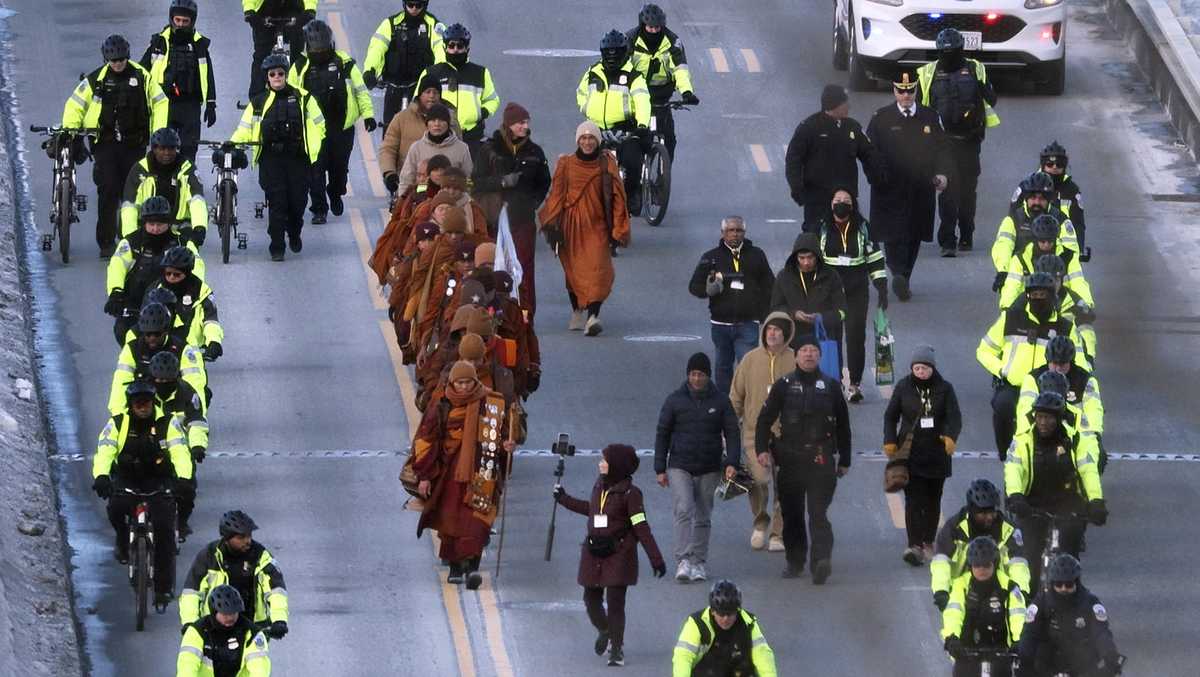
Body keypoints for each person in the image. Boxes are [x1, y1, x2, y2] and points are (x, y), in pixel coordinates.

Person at [553, 443, 667, 668]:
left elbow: (640, 526)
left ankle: (616, 649)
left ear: (616, 465)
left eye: (604, 460)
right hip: (594, 551)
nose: (600, 463)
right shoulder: (599, 486)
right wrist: (564, 499)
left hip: (618, 553)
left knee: (615, 603)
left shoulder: (631, 494)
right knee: (590, 598)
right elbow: (593, 510)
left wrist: (656, 559)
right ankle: (605, 630)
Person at [755, 336, 851, 583]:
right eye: (805, 350)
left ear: (820, 356)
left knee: (818, 512)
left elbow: (843, 425)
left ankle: (821, 561)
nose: (809, 355)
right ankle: (795, 562)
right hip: (790, 459)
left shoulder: (830, 386)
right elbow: (764, 419)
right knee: (793, 514)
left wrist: (845, 459)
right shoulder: (783, 385)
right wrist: (761, 450)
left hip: (821, 458)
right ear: (796, 356)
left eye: (814, 351)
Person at [62, 35, 168, 257]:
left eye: (121, 60)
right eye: (113, 60)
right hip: (105, 144)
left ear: (126, 57)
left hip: (134, 143)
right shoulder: (96, 79)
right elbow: (76, 103)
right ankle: (106, 242)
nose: (117, 64)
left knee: (133, 193)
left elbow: (160, 101)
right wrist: (70, 129)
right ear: (106, 59)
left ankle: (130, 239)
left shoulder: (141, 75)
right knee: (108, 190)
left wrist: (158, 134)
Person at [413, 361, 515, 589]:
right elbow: (426, 440)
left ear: (476, 381)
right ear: (452, 382)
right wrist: (425, 475)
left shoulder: (491, 403)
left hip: (482, 472)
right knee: (451, 522)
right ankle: (456, 568)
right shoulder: (441, 404)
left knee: (478, 521)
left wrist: (507, 446)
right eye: (460, 382)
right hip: (449, 473)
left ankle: (472, 569)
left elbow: (500, 432)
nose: (464, 387)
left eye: (468, 382)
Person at [92, 381, 193, 606]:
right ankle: (122, 539)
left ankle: (162, 589)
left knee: (165, 529)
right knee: (116, 508)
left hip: (158, 481)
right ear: (131, 404)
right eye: (138, 403)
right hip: (128, 479)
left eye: (146, 402)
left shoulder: (168, 423)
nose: (143, 407)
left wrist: (184, 479)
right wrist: (101, 476)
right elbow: (105, 451)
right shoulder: (118, 423)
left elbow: (180, 452)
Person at [976, 272, 1089, 459]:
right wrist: (1002, 369)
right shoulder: (1010, 319)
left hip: (1050, 389)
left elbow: (1080, 362)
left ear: (1052, 296)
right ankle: (1006, 454)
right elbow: (983, 350)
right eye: (1033, 295)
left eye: (1042, 295)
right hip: (1014, 385)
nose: (1038, 299)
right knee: (1002, 407)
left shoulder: (1065, 327)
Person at [537, 121, 631, 336]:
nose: (587, 142)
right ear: (577, 141)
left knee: (599, 270)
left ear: (597, 141)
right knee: (574, 272)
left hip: (597, 225)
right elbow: (557, 195)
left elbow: (618, 198)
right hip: (570, 226)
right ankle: (577, 310)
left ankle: (593, 317)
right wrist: (552, 224)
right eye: (583, 138)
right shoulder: (566, 164)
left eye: (591, 138)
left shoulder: (607, 164)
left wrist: (618, 229)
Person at [1004, 393, 1106, 589]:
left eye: (1049, 418)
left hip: (1066, 502)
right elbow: (1013, 468)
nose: (1043, 422)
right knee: (1029, 557)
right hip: (1032, 503)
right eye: (1039, 417)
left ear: (1059, 419)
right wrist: (1015, 495)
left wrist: (1096, 501)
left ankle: (1071, 592)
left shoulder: (1075, 439)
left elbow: (1088, 470)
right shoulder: (1022, 440)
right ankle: (1030, 602)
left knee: (1070, 551)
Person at [654, 353, 740, 583]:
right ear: (688, 375)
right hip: (680, 465)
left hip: (710, 466)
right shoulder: (675, 400)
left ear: (708, 375)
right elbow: (663, 433)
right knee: (684, 509)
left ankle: (699, 561)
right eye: (693, 374)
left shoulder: (721, 401)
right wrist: (659, 468)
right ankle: (683, 559)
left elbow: (732, 432)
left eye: (701, 374)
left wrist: (732, 461)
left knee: (703, 515)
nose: (697, 378)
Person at [231, 53, 325, 261]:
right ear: (267, 77)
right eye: (272, 74)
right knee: (277, 202)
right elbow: (245, 129)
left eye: (281, 74)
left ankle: (294, 232)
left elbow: (319, 126)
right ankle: (277, 245)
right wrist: (233, 144)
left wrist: (314, 151)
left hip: (298, 158)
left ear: (286, 75)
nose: (277, 77)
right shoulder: (257, 103)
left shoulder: (304, 98)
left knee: (298, 202)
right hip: (271, 159)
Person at [865, 70, 949, 300]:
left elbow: (943, 148)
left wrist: (942, 173)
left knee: (914, 233)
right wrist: (876, 177)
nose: (906, 95)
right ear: (894, 91)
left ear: (915, 91)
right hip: (890, 188)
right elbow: (869, 152)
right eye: (901, 91)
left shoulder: (930, 117)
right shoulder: (881, 119)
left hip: (920, 187)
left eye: (910, 90)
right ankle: (897, 272)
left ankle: (905, 276)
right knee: (893, 234)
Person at [916, 28, 999, 255]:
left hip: (970, 141)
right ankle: (947, 241)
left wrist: (980, 87)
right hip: (942, 144)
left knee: (967, 194)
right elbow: (920, 109)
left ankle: (966, 235)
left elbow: (992, 99)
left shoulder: (975, 68)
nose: (949, 55)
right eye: (945, 52)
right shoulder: (927, 73)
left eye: (953, 51)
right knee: (947, 192)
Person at [287, 20, 375, 223]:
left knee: (339, 170)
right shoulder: (299, 66)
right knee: (315, 171)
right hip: (314, 129)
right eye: (316, 48)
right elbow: (291, 94)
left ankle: (335, 193)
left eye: (323, 47)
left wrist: (368, 115)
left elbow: (360, 90)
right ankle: (319, 209)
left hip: (341, 128)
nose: (319, 51)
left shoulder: (345, 64)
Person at [803, 189, 886, 401]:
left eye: (846, 201)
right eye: (837, 200)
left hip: (856, 291)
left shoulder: (863, 228)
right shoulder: (820, 227)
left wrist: (881, 286)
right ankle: (834, 382)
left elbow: (874, 258)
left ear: (853, 205)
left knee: (856, 337)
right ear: (831, 204)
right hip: (828, 293)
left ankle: (855, 385)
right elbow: (807, 259)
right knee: (831, 338)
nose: (841, 204)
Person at [883, 345, 962, 565]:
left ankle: (928, 540)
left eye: (924, 368)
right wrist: (889, 440)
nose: (920, 372)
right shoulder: (903, 387)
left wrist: (950, 436)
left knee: (933, 499)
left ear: (932, 368)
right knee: (913, 499)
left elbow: (954, 417)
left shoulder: (945, 389)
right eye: (917, 368)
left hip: (937, 453)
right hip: (911, 453)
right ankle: (914, 544)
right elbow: (890, 416)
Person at [471, 102, 551, 313]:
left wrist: (532, 203)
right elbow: (476, 183)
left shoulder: (535, 152)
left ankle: (525, 315)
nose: (524, 127)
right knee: (494, 267)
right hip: (493, 221)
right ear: (508, 125)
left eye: (526, 122)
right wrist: (503, 182)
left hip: (522, 220)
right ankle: (492, 313)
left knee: (523, 269)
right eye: (519, 123)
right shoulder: (488, 150)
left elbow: (544, 182)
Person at [729, 313, 795, 552]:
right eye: (769, 329)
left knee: (785, 487)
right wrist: (726, 427)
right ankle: (760, 520)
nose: (773, 333)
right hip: (752, 434)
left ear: (786, 334)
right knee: (757, 480)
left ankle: (778, 532)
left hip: (787, 435)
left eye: (778, 330)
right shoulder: (749, 359)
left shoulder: (795, 360)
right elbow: (736, 396)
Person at [687, 216, 775, 393]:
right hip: (720, 325)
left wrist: (766, 317)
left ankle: (745, 403)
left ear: (744, 232)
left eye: (738, 230)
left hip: (748, 323)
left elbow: (770, 287)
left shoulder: (757, 255)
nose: (734, 234)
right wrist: (708, 289)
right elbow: (694, 287)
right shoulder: (710, 257)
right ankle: (725, 407)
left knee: (746, 367)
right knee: (723, 368)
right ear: (722, 233)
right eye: (730, 230)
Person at [106, 196, 202, 345]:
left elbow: (197, 267)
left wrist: (192, 292)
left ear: (169, 223)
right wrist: (115, 291)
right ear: (144, 223)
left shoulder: (182, 242)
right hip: (136, 304)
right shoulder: (131, 242)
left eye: (160, 224)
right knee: (122, 331)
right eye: (151, 224)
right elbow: (117, 265)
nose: (155, 229)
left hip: (173, 305)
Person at [179, 510, 289, 640]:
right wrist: (189, 622)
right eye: (241, 537)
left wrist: (279, 620)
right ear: (227, 538)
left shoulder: (260, 556)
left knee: (257, 660)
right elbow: (192, 592)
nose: (248, 541)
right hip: (214, 628)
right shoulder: (209, 556)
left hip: (252, 629)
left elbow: (276, 590)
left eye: (249, 536)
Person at [785, 84, 881, 228]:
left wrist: (878, 177)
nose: (849, 106)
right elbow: (793, 159)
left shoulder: (852, 127)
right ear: (834, 105)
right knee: (816, 234)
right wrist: (797, 189)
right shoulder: (809, 127)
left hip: (846, 198)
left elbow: (869, 153)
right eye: (845, 103)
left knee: (848, 235)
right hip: (817, 198)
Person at [577, 30, 652, 214]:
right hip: (597, 129)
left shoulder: (634, 76)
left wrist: (642, 125)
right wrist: (587, 110)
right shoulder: (592, 72)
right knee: (581, 164)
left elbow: (643, 101)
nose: (612, 56)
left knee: (632, 161)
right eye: (608, 52)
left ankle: (632, 194)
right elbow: (581, 93)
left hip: (626, 129)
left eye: (616, 52)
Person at [932, 479, 1031, 609]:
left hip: (1000, 587)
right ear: (972, 511)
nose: (989, 517)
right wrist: (941, 591)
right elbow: (941, 563)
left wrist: (1022, 591)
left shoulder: (1009, 529)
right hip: (961, 587)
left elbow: (1018, 564)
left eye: (992, 511)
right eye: (983, 513)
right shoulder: (954, 528)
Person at [139, 0, 217, 164]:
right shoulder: (158, 43)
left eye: (185, 21)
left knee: (189, 148)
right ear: (171, 18)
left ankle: (187, 181)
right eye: (177, 20)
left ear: (192, 21)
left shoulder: (199, 45)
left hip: (191, 104)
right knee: (162, 147)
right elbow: (142, 71)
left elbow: (207, 74)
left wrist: (211, 103)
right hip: (164, 103)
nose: (180, 25)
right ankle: (161, 181)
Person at [1017, 554, 1122, 677]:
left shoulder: (1090, 603)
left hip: (1081, 666)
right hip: (1047, 665)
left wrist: (1110, 656)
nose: (1063, 588)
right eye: (1059, 584)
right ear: (1052, 584)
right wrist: (1024, 660)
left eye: (1068, 584)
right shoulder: (1041, 603)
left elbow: (1101, 634)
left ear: (1076, 582)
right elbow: (1030, 634)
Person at [1015, 337, 1106, 470]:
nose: (1057, 368)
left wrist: (1094, 435)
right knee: (1019, 458)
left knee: (1099, 456)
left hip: (1074, 433)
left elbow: (1094, 410)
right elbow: (1024, 409)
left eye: (1062, 364)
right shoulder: (1033, 378)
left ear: (1070, 361)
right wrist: (1024, 435)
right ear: (1048, 360)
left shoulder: (1086, 380)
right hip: (1041, 431)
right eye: (1054, 363)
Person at [941, 537, 1026, 677]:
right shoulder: (960, 585)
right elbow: (953, 613)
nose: (982, 570)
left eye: (986, 565)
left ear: (994, 563)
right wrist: (952, 638)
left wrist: (1019, 640)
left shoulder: (1009, 586)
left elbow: (1018, 616)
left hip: (1001, 651)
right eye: (977, 565)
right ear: (970, 565)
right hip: (967, 650)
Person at [625, 3, 698, 160]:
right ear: (642, 25)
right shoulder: (630, 39)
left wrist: (686, 91)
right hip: (637, 95)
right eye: (650, 28)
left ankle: (664, 176)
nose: (654, 31)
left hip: (662, 96)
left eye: (657, 28)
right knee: (636, 138)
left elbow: (680, 68)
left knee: (670, 140)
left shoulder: (673, 41)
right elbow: (624, 67)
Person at [108, 302, 208, 416]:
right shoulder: (132, 349)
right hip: (144, 404)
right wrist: (118, 415)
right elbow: (120, 383)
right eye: (148, 334)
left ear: (165, 331)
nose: (152, 338)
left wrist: (198, 414)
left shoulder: (182, 349)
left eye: (157, 334)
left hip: (174, 402)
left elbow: (194, 383)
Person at [362, 0, 446, 136]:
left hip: (420, 87)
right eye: (410, 5)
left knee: (424, 130)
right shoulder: (391, 23)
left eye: (418, 5)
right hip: (394, 84)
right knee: (389, 131)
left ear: (425, 5)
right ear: (404, 4)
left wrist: (439, 73)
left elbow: (440, 49)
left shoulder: (433, 25)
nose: (414, 9)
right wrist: (370, 71)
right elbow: (376, 49)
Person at [414, 23, 498, 149]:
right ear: (445, 48)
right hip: (439, 136)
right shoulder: (431, 73)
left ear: (467, 48)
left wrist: (481, 113)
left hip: (472, 136)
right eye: (451, 46)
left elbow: (492, 99)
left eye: (460, 46)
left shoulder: (480, 73)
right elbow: (417, 101)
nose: (455, 50)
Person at [671, 580, 778, 677]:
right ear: (713, 611)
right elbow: (683, 657)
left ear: (737, 611)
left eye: (730, 614)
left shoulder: (748, 623)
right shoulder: (697, 623)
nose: (726, 619)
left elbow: (763, 656)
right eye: (721, 614)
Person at [119, 126, 207, 241]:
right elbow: (129, 205)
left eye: (171, 149)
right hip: (149, 228)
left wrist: (199, 227)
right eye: (162, 149)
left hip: (179, 229)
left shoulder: (187, 168)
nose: (167, 153)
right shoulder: (140, 169)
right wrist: (130, 235)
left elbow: (197, 200)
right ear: (154, 149)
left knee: (191, 257)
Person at [992, 174, 1079, 287]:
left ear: (1049, 200)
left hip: (1055, 279)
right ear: (1026, 198)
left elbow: (1072, 253)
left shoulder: (1061, 220)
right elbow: (1003, 245)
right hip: (1019, 277)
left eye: (1042, 199)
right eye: (1033, 198)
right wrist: (1003, 271)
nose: (1037, 202)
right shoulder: (1013, 219)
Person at [769, 232, 847, 350]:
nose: (806, 262)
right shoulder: (784, 276)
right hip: (792, 340)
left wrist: (822, 317)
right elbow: (775, 307)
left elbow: (842, 311)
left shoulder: (831, 276)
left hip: (824, 339)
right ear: (796, 257)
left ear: (817, 256)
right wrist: (793, 314)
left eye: (810, 257)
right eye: (802, 258)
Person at [997, 215, 1093, 309]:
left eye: (1050, 240)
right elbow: (1012, 286)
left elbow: (1078, 282)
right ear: (1036, 239)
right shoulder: (1020, 258)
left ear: (1055, 238)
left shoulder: (1069, 256)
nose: (1046, 244)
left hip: (1063, 306)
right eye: (1042, 241)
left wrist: (1086, 304)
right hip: (1030, 307)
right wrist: (1007, 308)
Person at [1010, 141, 1087, 257]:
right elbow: (1012, 218)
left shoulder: (1072, 190)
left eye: (1059, 164)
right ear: (1042, 165)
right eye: (1050, 164)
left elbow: (1078, 224)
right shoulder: (1026, 185)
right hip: (1026, 246)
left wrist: (1079, 250)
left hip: (1058, 247)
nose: (1054, 167)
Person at [379, 85, 459, 194]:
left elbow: (459, 155)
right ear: (420, 95)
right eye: (428, 91)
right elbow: (388, 149)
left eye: (435, 92)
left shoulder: (451, 121)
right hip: (410, 185)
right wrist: (389, 173)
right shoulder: (401, 118)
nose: (432, 96)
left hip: (443, 189)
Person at [177, 584, 272, 676]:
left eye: (234, 613)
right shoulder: (197, 631)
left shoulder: (252, 632)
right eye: (225, 614)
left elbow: (260, 669)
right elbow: (187, 667)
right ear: (214, 612)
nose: (230, 618)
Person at [151, 246, 223, 359]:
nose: (171, 277)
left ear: (187, 273)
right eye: (168, 273)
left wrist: (214, 341)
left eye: (177, 274)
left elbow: (211, 320)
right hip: (160, 348)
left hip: (191, 351)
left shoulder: (202, 291)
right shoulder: (155, 289)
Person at [147, 351, 209, 466]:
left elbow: (196, 421)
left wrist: (197, 446)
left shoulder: (187, 392)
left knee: (187, 480)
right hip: (148, 449)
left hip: (180, 450)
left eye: (167, 380)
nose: (163, 383)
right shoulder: (142, 395)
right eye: (159, 380)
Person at [243, 0, 314, 98]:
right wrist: (249, 10)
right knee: (261, 55)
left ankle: (299, 91)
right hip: (265, 10)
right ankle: (257, 98)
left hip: (292, 8)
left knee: (298, 54)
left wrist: (310, 8)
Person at [397, 102, 472, 195]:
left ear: (448, 124)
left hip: (452, 203)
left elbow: (469, 179)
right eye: (433, 120)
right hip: (422, 201)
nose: (437, 124)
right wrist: (403, 201)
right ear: (427, 124)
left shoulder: (461, 148)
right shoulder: (416, 148)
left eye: (441, 120)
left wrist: (467, 201)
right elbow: (406, 179)